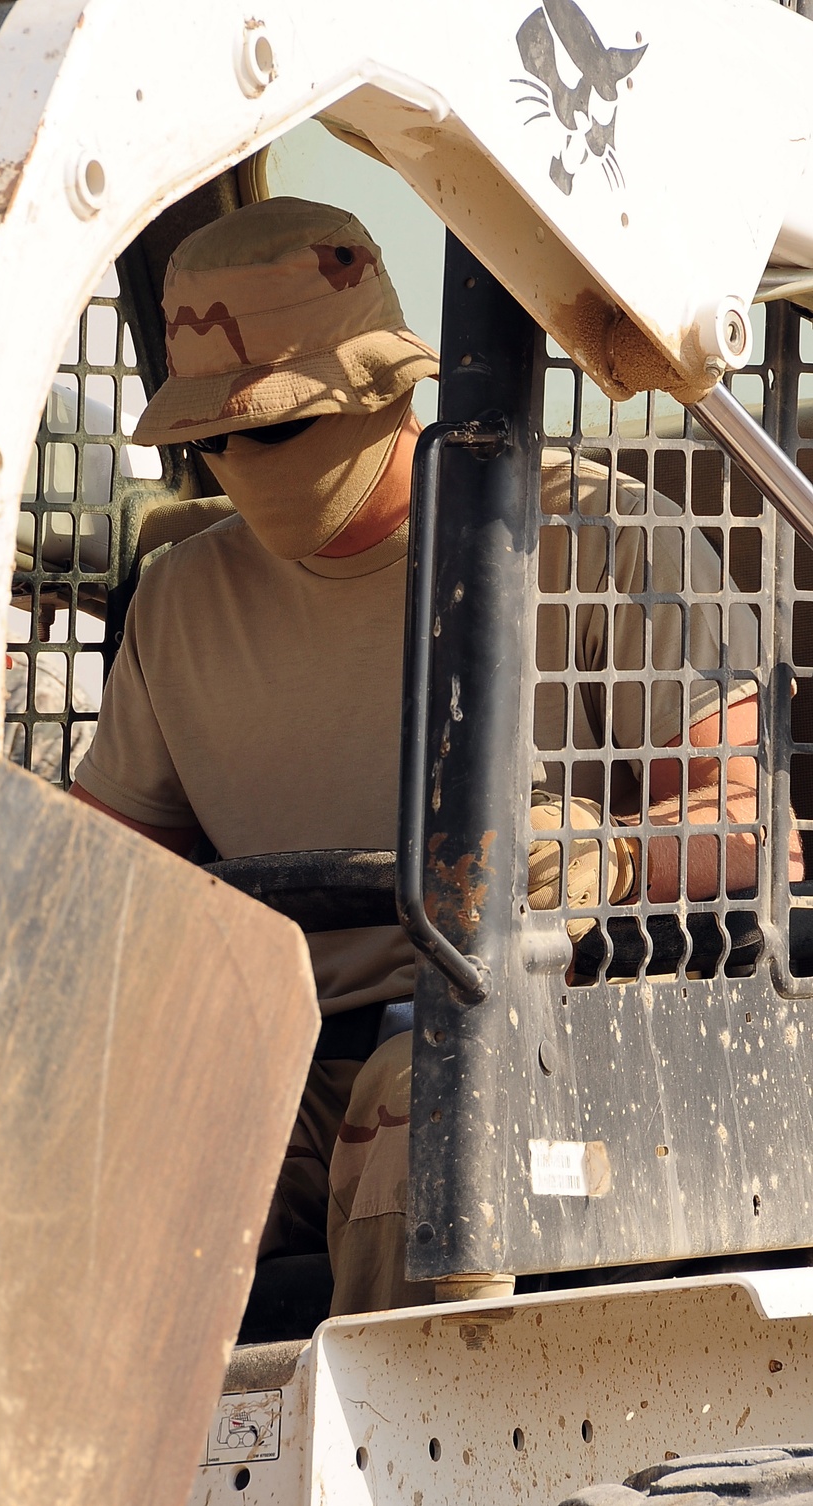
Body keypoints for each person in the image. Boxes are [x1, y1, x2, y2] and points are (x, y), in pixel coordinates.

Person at [70, 196, 789, 1317]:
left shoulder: (602, 535)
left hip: (575, 1035)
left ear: (389, 388)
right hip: (289, 1054)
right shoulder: (179, 601)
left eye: (273, 427)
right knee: (96, 1139)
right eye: (207, 441)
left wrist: (603, 860)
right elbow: (104, 874)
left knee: (427, 1110)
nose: (237, 464)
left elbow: (754, 832)